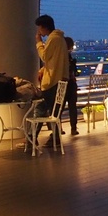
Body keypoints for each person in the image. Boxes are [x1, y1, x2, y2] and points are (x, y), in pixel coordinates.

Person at [34, 14, 69, 143]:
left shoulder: (53, 39)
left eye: (40, 28)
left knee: (40, 109)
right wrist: (43, 69)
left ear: (44, 27)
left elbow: (45, 56)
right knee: (54, 111)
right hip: (60, 80)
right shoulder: (60, 38)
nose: (39, 31)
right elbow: (55, 60)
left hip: (52, 81)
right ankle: (54, 138)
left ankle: (32, 138)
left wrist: (39, 42)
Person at [65, 36, 80, 135]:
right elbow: (74, 72)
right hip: (71, 84)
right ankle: (73, 128)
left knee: (59, 107)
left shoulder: (61, 57)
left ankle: (58, 128)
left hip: (63, 84)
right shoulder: (69, 58)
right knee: (72, 107)